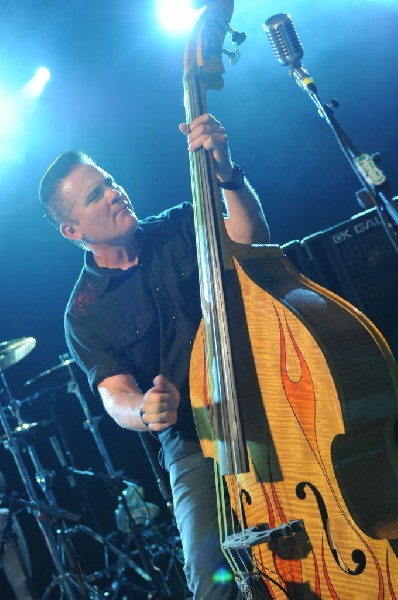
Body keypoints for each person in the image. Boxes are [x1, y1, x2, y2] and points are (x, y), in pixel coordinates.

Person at [39, 113, 270, 599]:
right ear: (71, 229)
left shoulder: (183, 223)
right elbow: (115, 395)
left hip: (266, 392)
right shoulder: (83, 314)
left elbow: (253, 240)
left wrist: (226, 172)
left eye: (110, 182)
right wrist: (144, 410)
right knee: (210, 573)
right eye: (95, 196)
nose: (114, 193)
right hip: (191, 437)